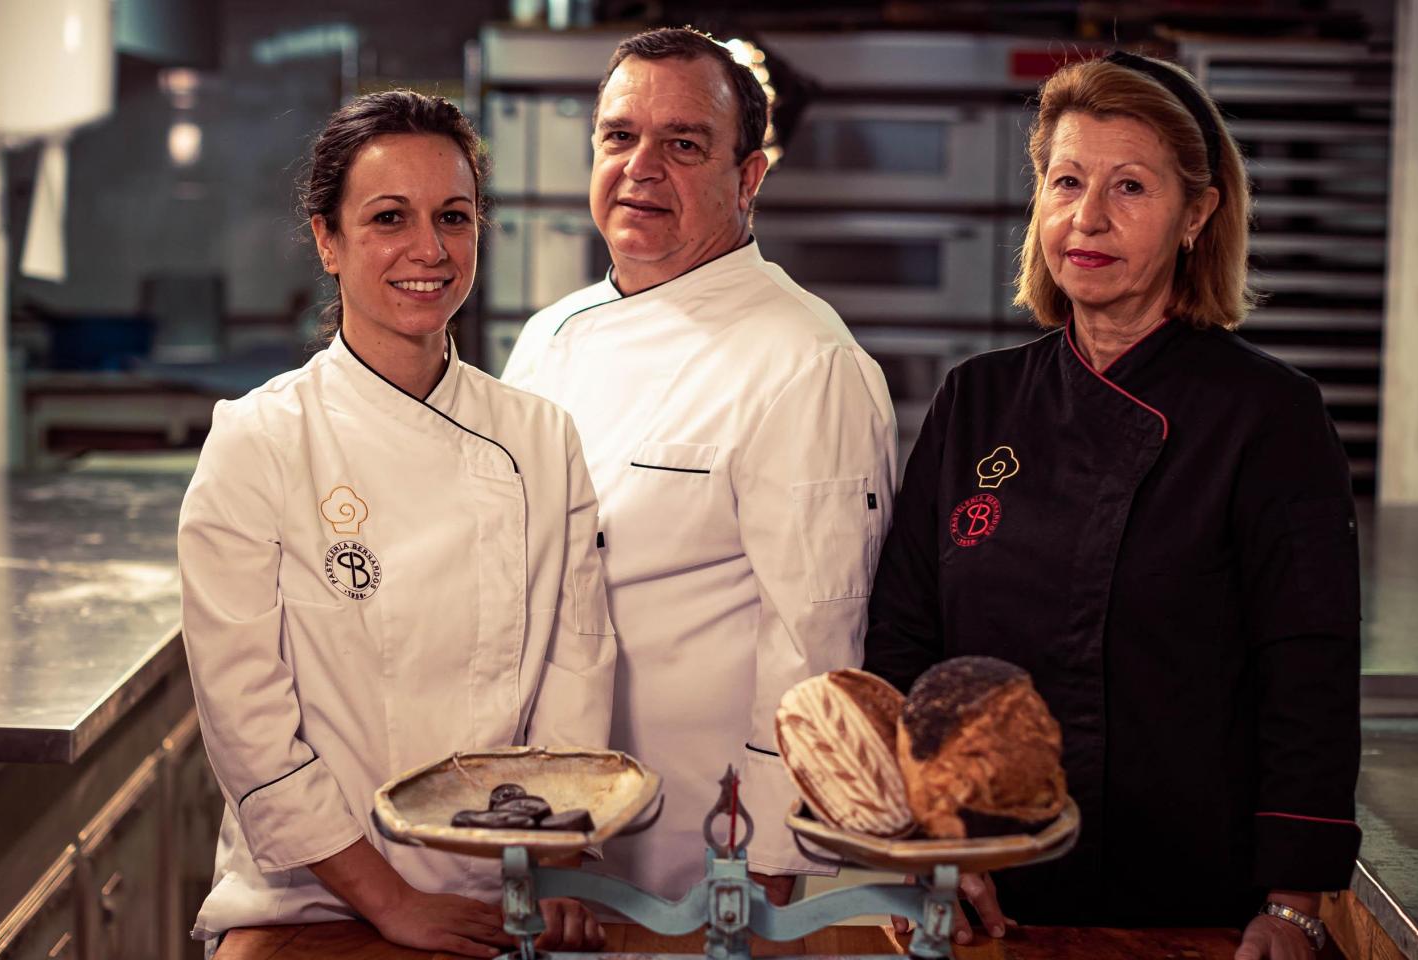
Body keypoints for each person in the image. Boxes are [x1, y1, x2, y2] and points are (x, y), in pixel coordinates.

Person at [862, 54, 1360, 960]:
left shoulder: (1269, 417)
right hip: (986, 893)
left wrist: (1292, 903)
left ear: (1197, 215)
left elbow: (1310, 674)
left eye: (1130, 187)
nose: (1087, 219)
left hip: (1191, 900)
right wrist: (924, 841)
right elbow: (904, 640)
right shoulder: (976, 400)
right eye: (1067, 182)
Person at [179, 90, 613, 957]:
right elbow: (247, 725)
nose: (429, 249)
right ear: (328, 241)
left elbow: (576, 670)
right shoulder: (260, 441)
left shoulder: (539, 436)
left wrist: (552, 865)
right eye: (389, 218)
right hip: (307, 897)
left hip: (501, 893)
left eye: (453, 217)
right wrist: (390, 902)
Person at [501, 27, 898, 903]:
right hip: (550, 829)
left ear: (748, 178)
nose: (641, 167)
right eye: (619, 136)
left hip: (710, 855)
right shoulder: (549, 338)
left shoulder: (806, 362)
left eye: (683, 144)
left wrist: (776, 861)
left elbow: (816, 642)